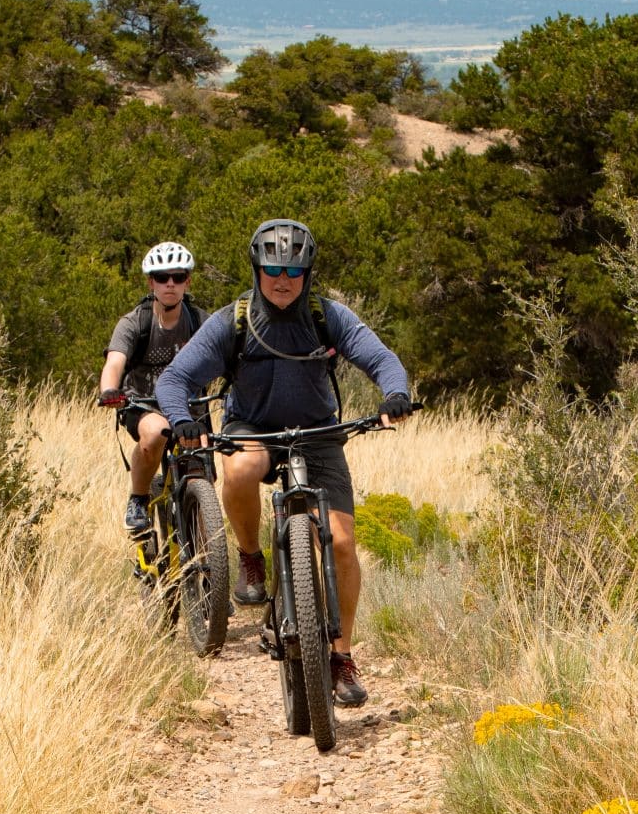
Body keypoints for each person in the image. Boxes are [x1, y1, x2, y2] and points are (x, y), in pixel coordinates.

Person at [155, 218, 412, 707]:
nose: (282, 279)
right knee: (240, 469)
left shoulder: (326, 315)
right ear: (256, 268)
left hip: (319, 435)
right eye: (272, 267)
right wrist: (181, 420)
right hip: (254, 430)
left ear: (308, 272)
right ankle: (251, 558)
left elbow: (381, 358)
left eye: (293, 270)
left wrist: (395, 392)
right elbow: (175, 380)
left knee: (340, 541)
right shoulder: (233, 320)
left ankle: (340, 656)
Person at [97, 242, 202, 536]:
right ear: (151, 282)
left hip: (190, 407)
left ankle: (201, 525)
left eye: (178, 277)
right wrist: (109, 390)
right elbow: (115, 362)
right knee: (156, 433)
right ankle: (139, 499)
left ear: (187, 281)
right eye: (162, 276)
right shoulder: (135, 323)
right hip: (144, 405)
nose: (170, 283)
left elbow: (228, 352)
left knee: (204, 458)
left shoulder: (199, 321)